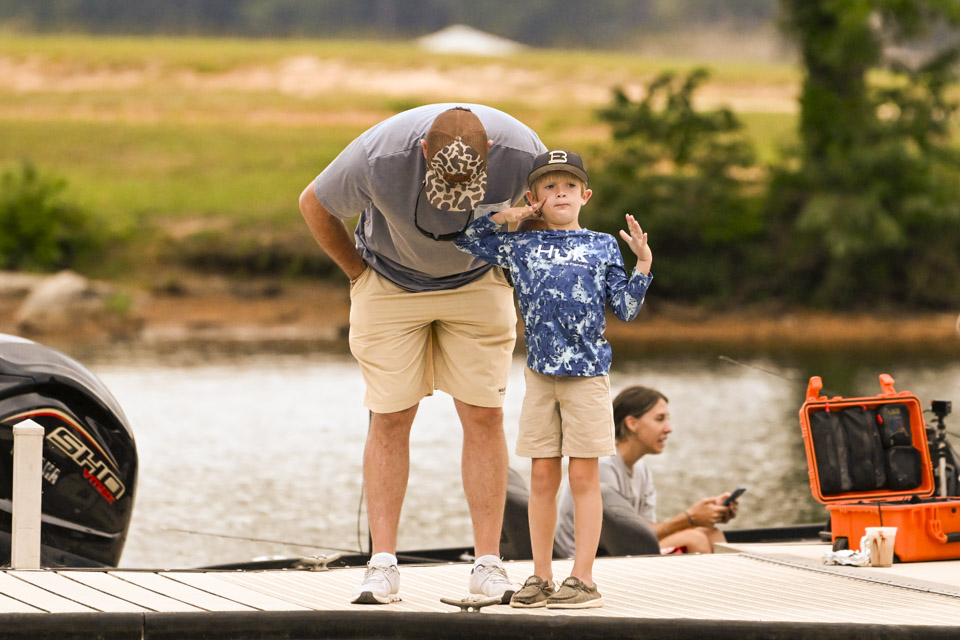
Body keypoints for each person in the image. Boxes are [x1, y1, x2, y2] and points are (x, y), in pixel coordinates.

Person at [298, 104, 545, 605]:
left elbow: (551, 207)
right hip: (388, 280)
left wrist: (512, 263)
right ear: (424, 150)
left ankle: (488, 564)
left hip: (478, 282)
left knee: (485, 414)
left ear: (490, 153)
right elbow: (314, 203)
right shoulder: (377, 155)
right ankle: (382, 566)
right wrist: (357, 273)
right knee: (391, 416)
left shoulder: (523, 150)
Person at [455, 149, 654, 609]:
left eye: (569, 186)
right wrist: (508, 217)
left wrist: (642, 263)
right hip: (540, 378)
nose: (560, 193)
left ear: (586, 195)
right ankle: (541, 577)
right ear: (534, 198)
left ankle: (582, 580)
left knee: (583, 476)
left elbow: (625, 309)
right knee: (542, 475)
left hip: (588, 377)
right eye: (549, 186)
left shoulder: (602, 245)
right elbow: (466, 239)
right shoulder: (521, 245)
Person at [555, 385, 740, 558]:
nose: (669, 429)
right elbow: (624, 539)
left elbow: (644, 531)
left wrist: (703, 517)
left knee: (711, 534)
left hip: (619, 549)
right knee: (695, 539)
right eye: (660, 419)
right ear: (631, 423)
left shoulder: (641, 469)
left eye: (667, 419)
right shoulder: (602, 466)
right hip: (585, 558)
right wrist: (690, 518)